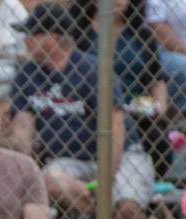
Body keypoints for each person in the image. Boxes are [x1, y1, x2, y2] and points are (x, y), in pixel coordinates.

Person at [8, 3, 155, 219]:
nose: (25, 40)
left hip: (121, 157)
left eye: (32, 34)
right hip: (68, 161)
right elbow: (23, 128)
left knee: (128, 208)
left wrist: (105, 180)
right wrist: (19, 160)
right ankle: (112, 215)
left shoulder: (92, 70)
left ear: (54, 38)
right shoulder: (27, 74)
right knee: (49, 181)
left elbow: (115, 130)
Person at [70, 0, 171, 178]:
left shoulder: (142, 34)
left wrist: (159, 108)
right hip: (90, 111)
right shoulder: (78, 33)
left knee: (157, 138)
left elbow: (158, 78)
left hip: (136, 112)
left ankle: (146, 183)